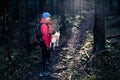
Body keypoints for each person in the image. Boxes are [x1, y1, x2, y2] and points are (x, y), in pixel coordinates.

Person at [39, 12, 52, 76]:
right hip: (44, 43)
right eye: (47, 17)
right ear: (44, 18)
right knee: (43, 57)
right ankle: (42, 72)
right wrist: (47, 45)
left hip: (45, 43)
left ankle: (47, 62)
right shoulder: (44, 25)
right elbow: (45, 36)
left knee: (46, 54)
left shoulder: (46, 24)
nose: (49, 18)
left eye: (49, 17)